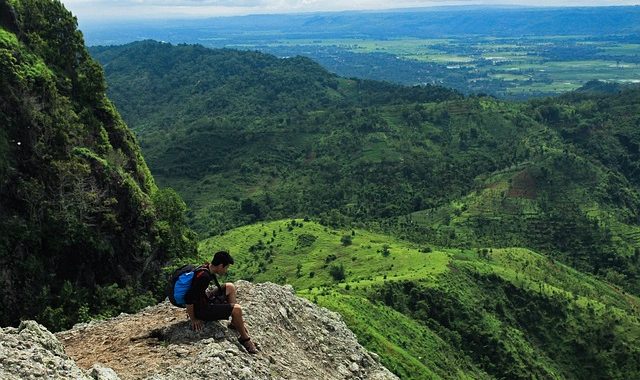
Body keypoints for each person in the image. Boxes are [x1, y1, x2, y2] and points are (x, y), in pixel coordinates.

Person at [184, 250, 258, 354]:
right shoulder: (204, 277)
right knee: (237, 309)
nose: (226, 270)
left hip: (203, 300)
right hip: (202, 310)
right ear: (221, 265)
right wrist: (193, 318)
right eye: (226, 267)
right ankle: (245, 339)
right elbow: (189, 298)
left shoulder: (206, 268)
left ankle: (234, 323)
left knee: (230, 287)